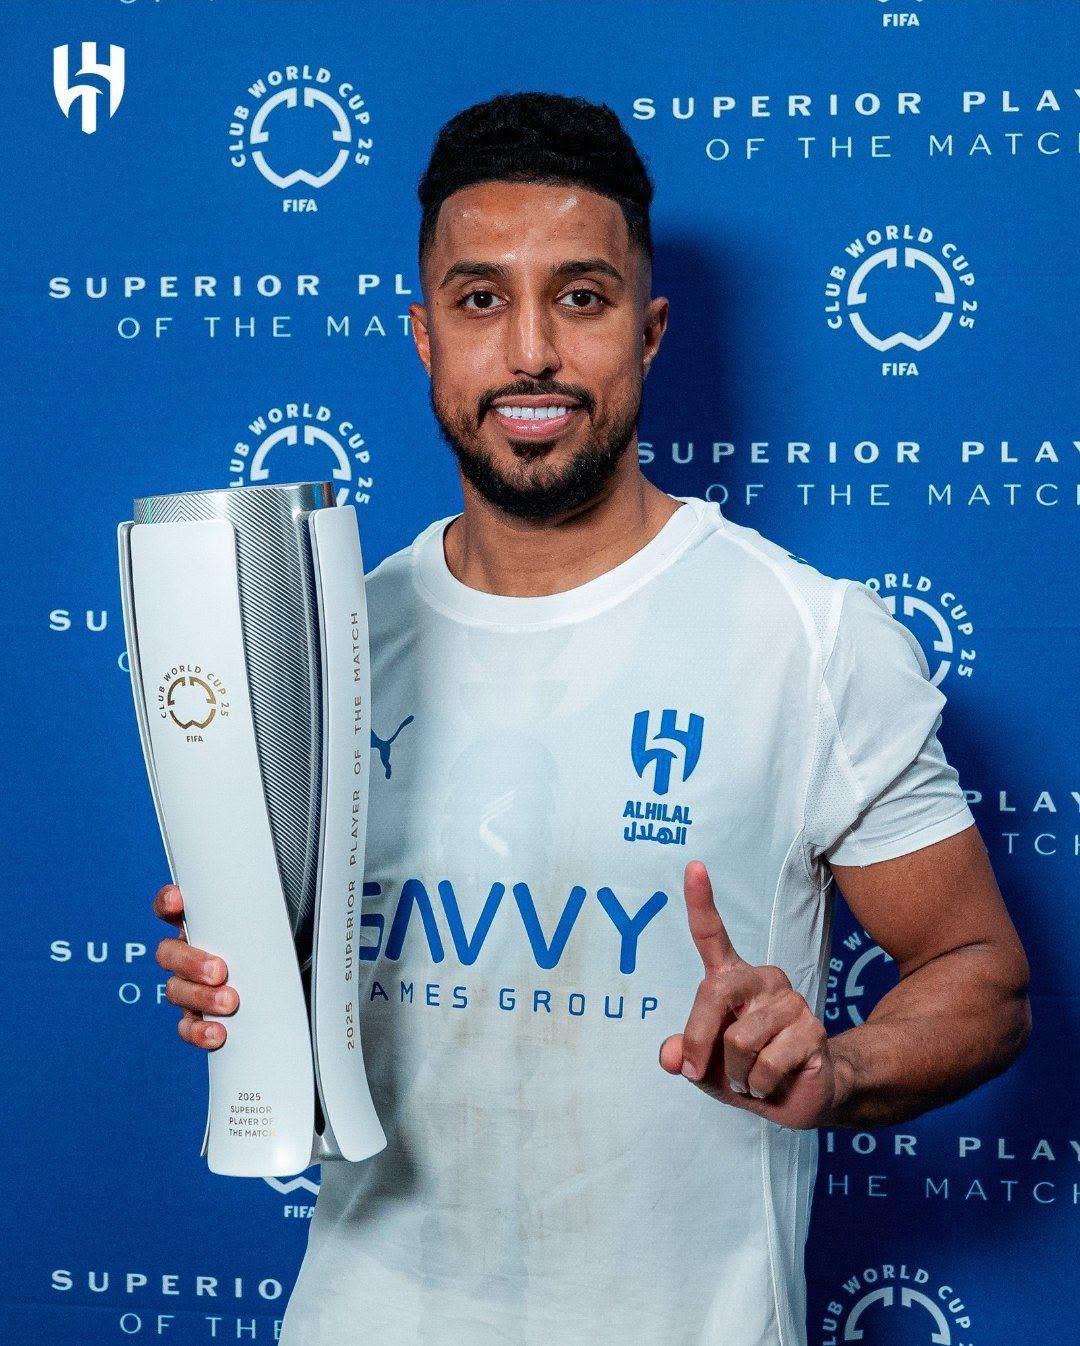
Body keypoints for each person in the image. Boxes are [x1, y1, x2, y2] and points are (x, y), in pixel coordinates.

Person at [152, 92, 1031, 1346]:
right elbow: (295, 1003)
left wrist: (838, 1065)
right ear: (423, 335)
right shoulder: (329, 646)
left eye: (580, 296)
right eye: (479, 299)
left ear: (649, 330)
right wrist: (244, 974)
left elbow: (981, 976)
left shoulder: (811, 638)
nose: (530, 353)